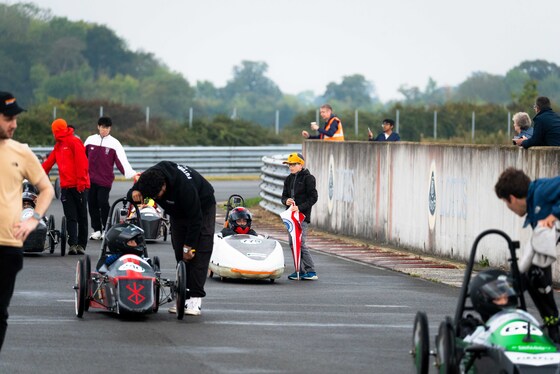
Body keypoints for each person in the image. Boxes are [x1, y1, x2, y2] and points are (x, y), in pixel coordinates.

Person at [0, 91, 54, 352]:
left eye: (16, 118)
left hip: (8, 247)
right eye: (8, 118)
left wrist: (33, 218)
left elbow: (46, 189)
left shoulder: (21, 152)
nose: (14, 124)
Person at [127, 161, 216, 316]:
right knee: (180, 252)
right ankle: (183, 296)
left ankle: (195, 299)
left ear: (164, 185)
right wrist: (133, 192)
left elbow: (196, 219)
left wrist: (190, 246)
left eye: (159, 194)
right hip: (177, 212)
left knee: (197, 251)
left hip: (201, 207)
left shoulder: (185, 187)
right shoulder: (148, 179)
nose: (158, 198)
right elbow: (131, 195)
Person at [494, 167, 560, 342]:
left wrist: (555, 214)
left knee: (533, 273)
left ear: (512, 198)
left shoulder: (541, 191)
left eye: (506, 204)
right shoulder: (533, 205)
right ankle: (553, 326)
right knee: (534, 275)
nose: (509, 208)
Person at [42, 118, 90, 255]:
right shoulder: (58, 146)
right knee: (71, 217)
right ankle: (72, 244)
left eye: (54, 132)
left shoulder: (74, 142)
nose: (53, 134)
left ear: (57, 131)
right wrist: (36, 174)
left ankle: (81, 245)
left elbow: (82, 163)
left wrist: (81, 182)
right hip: (66, 187)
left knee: (81, 217)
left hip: (80, 186)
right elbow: (48, 163)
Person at [84, 116, 136, 240]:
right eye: (102, 127)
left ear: (110, 128)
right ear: (98, 127)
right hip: (89, 179)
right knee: (92, 203)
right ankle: (96, 230)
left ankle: (106, 229)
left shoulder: (114, 143)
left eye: (107, 128)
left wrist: (132, 174)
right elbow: (81, 158)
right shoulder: (90, 140)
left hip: (105, 180)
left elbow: (122, 161)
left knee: (102, 202)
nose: (104, 130)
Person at [281, 153, 319, 280]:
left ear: (300, 165)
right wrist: (286, 201)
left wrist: (300, 207)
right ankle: (300, 270)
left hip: (302, 216)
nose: (291, 167)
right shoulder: (288, 179)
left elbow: (313, 197)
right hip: (290, 216)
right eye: (289, 165)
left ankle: (311, 271)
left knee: (301, 243)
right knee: (292, 243)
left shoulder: (309, 178)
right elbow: (283, 196)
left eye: (293, 164)